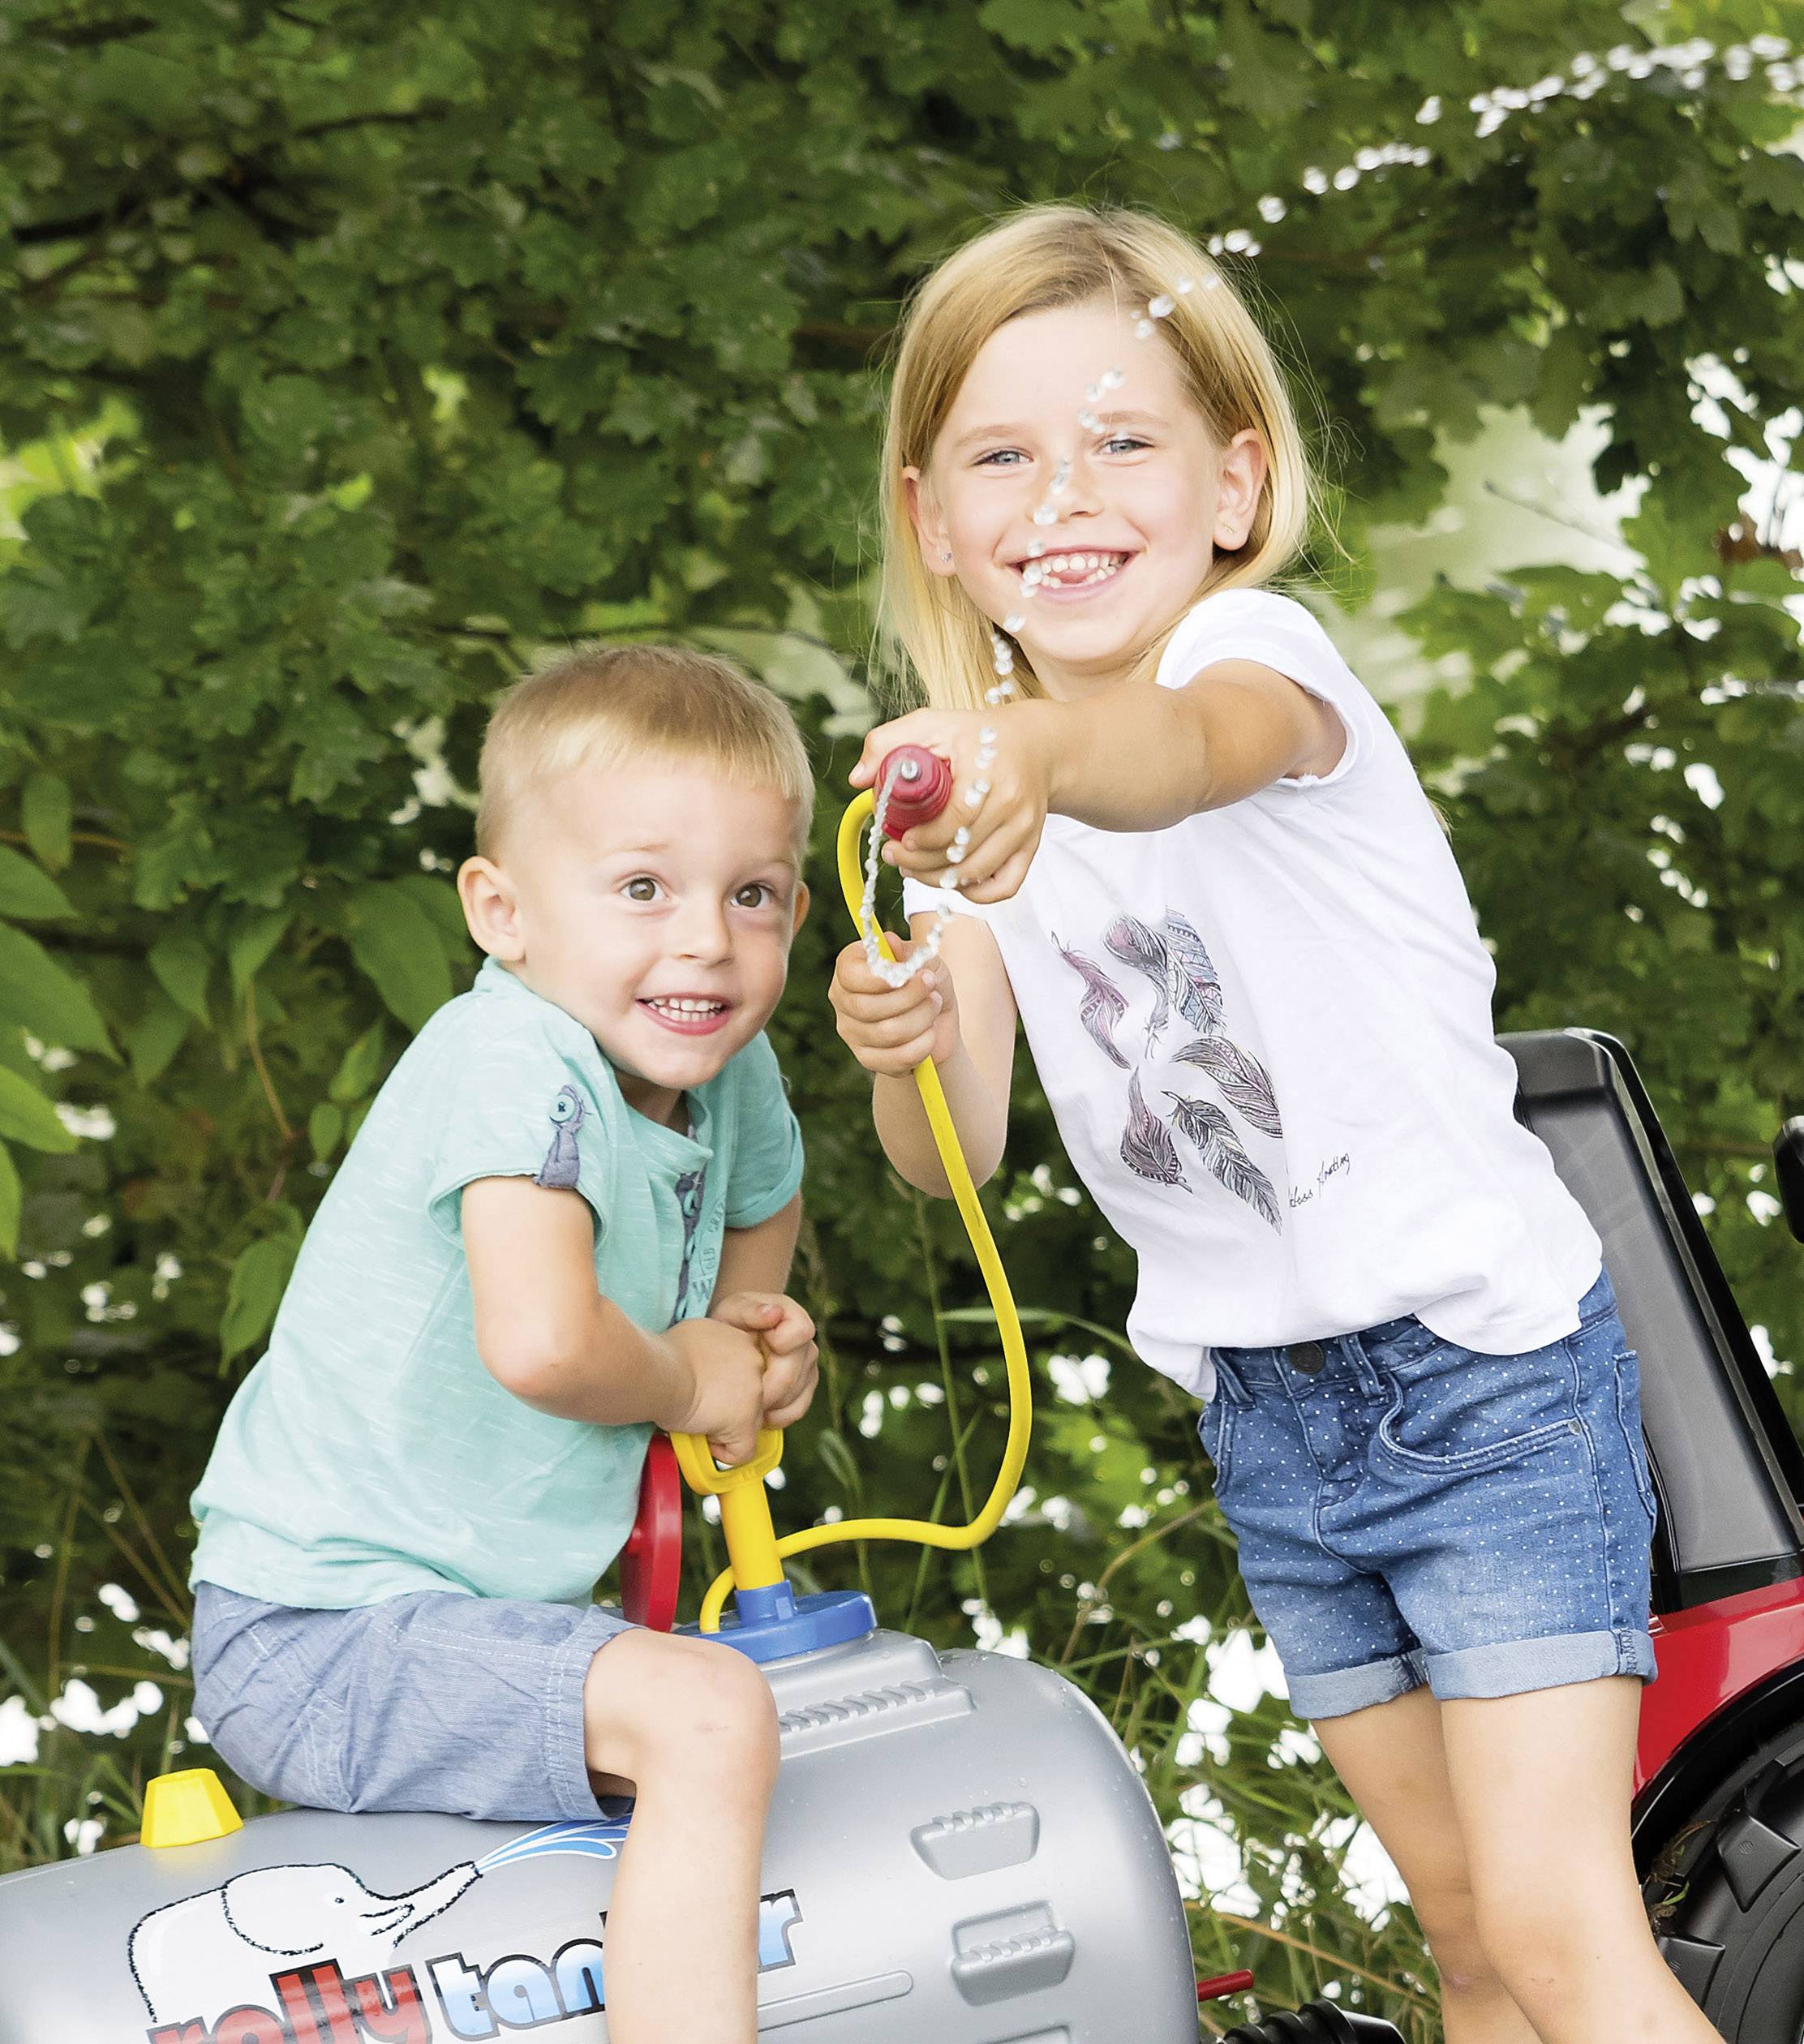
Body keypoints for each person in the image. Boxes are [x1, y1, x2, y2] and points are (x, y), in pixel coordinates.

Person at [829, 204, 1718, 2044]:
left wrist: (1042, 760)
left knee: (1563, 1939)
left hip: (1487, 1386)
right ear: (932, 516)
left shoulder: (1259, 662)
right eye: (1004, 454)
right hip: (1277, 1429)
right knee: (1468, 1947)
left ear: (1235, 481)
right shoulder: (978, 810)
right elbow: (953, 1153)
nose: (1063, 495)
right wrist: (898, 1034)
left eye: (1122, 442)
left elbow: (1179, 759)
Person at [188, 645, 820, 2044]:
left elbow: (757, 1232)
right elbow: (542, 1344)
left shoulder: (726, 1067)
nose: (708, 939)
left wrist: (750, 1349)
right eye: (644, 887)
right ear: (504, 912)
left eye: (754, 895)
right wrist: (688, 1374)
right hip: (316, 1632)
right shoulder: (512, 1057)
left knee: (743, 1727)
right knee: (711, 1718)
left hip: (462, 1620)